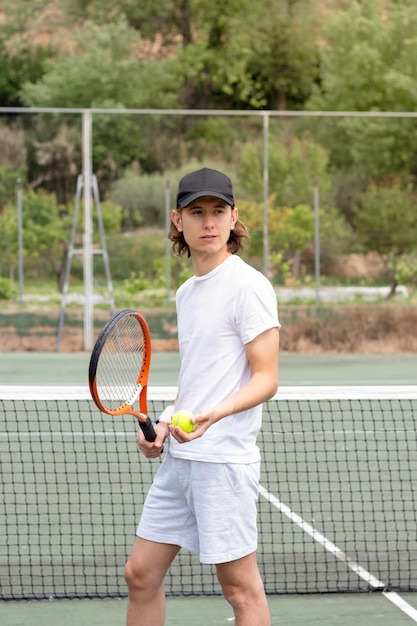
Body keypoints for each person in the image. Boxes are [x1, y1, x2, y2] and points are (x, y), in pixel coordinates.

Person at [124, 167, 280, 626]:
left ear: (234, 219)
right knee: (140, 575)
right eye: (197, 212)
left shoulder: (249, 286)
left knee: (239, 589)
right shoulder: (187, 293)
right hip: (181, 460)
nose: (208, 223)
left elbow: (266, 378)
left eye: (218, 211)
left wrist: (216, 415)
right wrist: (166, 423)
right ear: (178, 221)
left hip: (223, 464)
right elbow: (200, 377)